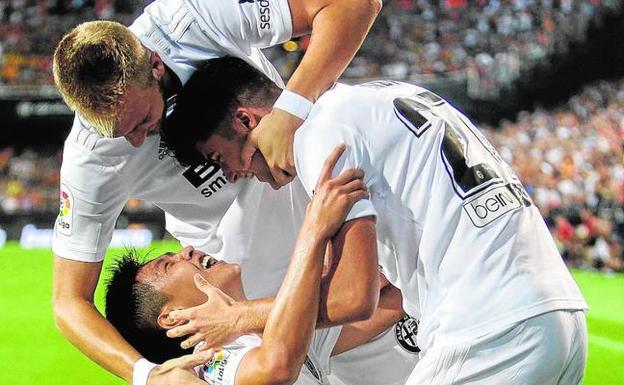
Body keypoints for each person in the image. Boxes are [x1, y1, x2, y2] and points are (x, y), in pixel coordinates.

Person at [162, 57, 590, 384]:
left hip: (487, 329)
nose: (235, 175)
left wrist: (238, 317)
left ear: (246, 120)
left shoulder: (317, 136)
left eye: (222, 158)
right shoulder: (379, 97)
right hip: (559, 317)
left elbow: (353, 297)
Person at [50, 1, 384, 384]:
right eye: (119, 134)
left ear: (155, 65)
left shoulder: (192, 18)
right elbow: (68, 301)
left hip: (324, 208)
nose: (136, 140)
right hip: (232, 285)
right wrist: (147, 375)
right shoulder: (91, 158)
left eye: (142, 121)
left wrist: (290, 111)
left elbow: (352, 4)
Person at [104, 159, 405, 385]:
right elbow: (277, 368)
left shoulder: (263, 331)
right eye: (169, 264)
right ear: (172, 317)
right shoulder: (207, 363)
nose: (187, 251)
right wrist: (315, 230)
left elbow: (380, 306)